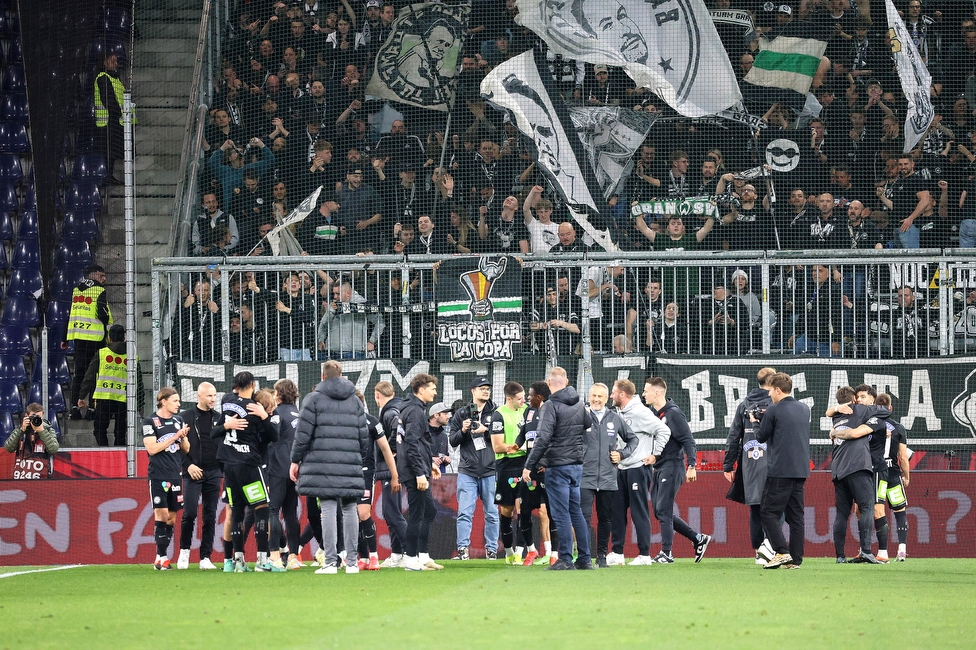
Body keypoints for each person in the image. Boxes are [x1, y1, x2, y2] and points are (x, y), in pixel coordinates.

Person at [290, 360, 369, 575]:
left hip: (321, 464)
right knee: (350, 508)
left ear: (322, 376)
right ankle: (352, 563)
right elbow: (364, 436)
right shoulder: (355, 401)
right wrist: (358, 458)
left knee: (328, 509)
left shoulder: (313, 399)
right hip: (350, 463)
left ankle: (331, 563)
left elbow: (302, 435)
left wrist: (295, 460)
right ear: (342, 375)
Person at [521, 366, 592, 570]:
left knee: (561, 514)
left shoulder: (550, 405)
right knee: (575, 512)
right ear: (567, 382)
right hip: (576, 466)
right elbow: (588, 424)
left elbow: (542, 438)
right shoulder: (579, 403)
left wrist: (529, 466)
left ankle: (565, 559)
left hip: (558, 466)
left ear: (549, 383)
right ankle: (585, 559)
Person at [212, 371, 279, 572]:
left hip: (229, 467)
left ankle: (238, 562)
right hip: (249, 465)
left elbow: (214, 432)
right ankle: (262, 561)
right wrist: (264, 415)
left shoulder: (226, 401)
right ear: (252, 384)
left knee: (236, 512)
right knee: (261, 509)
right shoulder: (253, 409)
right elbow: (273, 436)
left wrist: (226, 424)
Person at [643, 377, 711, 563]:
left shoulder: (673, 414)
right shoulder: (651, 413)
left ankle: (667, 553)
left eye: (646, 390)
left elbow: (688, 440)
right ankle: (698, 538)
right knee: (659, 511)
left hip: (673, 466)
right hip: (659, 466)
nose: (643, 394)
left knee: (663, 510)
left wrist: (692, 465)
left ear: (657, 393)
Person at [825, 386, 889, 564]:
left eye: (863, 397)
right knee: (868, 508)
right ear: (853, 399)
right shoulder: (860, 410)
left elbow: (829, 412)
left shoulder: (837, 417)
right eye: (857, 397)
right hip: (858, 467)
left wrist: (835, 412)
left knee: (843, 514)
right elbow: (883, 411)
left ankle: (840, 556)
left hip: (839, 470)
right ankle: (867, 551)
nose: (860, 400)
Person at [753, 372, 811, 570]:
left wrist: (754, 421)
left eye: (771, 391)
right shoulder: (804, 409)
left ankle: (781, 552)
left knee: (768, 512)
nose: (769, 395)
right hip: (801, 470)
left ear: (777, 390)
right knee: (796, 517)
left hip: (780, 470)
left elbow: (761, 437)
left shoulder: (773, 410)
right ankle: (795, 560)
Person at [723, 367, 776, 564]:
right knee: (775, 509)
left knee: (755, 508)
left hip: (750, 463)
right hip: (773, 462)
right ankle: (771, 548)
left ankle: (758, 551)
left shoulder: (743, 405)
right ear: (772, 383)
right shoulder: (776, 403)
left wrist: (728, 465)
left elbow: (734, 437)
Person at [583, 383, 637, 568]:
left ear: (607, 399)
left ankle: (600, 556)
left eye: (600, 396)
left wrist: (622, 454)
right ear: (588, 396)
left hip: (607, 477)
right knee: (583, 517)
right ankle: (583, 556)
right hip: (585, 476)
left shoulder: (615, 418)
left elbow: (633, 439)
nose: (596, 399)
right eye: (593, 396)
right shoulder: (581, 416)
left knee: (605, 519)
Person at [447, 376, 499, 560]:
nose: (486, 391)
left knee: (492, 513)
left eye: (488, 388)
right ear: (473, 391)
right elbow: (452, 441)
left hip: (490, 470)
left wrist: (487, 430)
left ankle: (491, 550)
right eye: (482, 388)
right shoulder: (462, 413)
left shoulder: (497, 412)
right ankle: (463, 550)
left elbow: (505, 437)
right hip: (468, 471)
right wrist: (462, 430)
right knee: (464, 513)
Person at [176, 382, 223, 570]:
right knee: (190, 513)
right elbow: (176, 446)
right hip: (192, 472)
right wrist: (188, 466)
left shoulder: (219, 419)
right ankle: (184, 552)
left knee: (210, 515)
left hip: (213, 473)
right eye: (209, 396)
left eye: (214, 395)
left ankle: (205, 557)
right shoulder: (185, 417)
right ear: (199, 396)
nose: (213, 399)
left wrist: (221, 468)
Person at [143, 387, 191, 570]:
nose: (179, 404)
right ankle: (161, 556)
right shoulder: (150, 422)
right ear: (164, 401)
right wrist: (175, 437)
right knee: (161, 513)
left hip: (175, 475)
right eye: (175, 401)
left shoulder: (178, 420)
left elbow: (186, 449)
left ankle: (161, 556)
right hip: (158, 475)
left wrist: (183, 438)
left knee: (171, 518)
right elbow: (152, 449)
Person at [398, 373, 441, 571]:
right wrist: (419, 473)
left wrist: (429, 464)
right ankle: (410, 559)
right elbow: (411, 444)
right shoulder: (414, 411)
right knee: (417, 514)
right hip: (413, 470)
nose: (435, 392)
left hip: (417, 466)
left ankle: (422, 556)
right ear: (421, 389)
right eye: (432, 388)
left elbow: (417, 443)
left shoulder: (411, 408)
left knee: (429, 511)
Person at [78, 324, 144, 447]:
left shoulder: (102, 353)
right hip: (124, 399)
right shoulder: (132, 357)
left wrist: (82, 396)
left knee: (99, 430)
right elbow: (139, 382)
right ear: (124, 338)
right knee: (120, 432)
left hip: (104, 398)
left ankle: (105, 453)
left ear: (109, 337)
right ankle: (120, 457)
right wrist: (140, 403)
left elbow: (89, 376)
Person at [64, 264, 113, 420]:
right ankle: (92, 408)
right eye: (101, 275)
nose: (104, 279)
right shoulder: (99, 291)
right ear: (92, 276)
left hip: (79, 338)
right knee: (94, 374)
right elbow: (103, 314)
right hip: (95, 339)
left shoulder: (76, 290)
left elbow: (70, 314)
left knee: (79, 374)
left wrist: (64, 338)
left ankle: (74, 408)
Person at [489, 382, 527, 564]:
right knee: (507, 510)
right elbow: (497, 446)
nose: (523, 401)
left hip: (525, 464)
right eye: (520, 398)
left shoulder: (528, 411)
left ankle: (520, 552)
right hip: (505, 465)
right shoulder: (499, 415)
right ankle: (509, 550)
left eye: (524, 397)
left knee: (522, 507)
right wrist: (512, 447)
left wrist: (519, 447)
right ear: (509, 398)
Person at [267, 379, 302, 571]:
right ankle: (294, 557)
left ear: (279, 394)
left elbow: (271, 440)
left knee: (272, 510)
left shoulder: (277, 414)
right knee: (290, 513)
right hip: (295, 470)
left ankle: (274, 556)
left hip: (278, 469)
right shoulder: (300, 414)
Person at [517, 382, 553, 566]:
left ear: (539, 397)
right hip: (528, 468)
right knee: (523, 511)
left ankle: (553, 552)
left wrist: (546, 462)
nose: (527, 399)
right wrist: (517, 443)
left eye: (530, 395)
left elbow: (553, 439)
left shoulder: (551, 411)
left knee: (550, 511)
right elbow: (523, 433)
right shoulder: (528, 412)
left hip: (545, 470)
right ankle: (531, 550)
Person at [875, 393, 911, 561]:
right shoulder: (899, 427)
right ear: (890, 408)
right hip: (894, 475)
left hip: (877, 474)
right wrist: (907, 476)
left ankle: (882, 551)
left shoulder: (871, 425)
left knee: (877, 511)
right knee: (899, 511)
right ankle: (902, 550)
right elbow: (903, 456)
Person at [373, 381, 405, 567]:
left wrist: (392, 449)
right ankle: (397, 553)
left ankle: (411, 551)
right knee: (393, 511)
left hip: (391, 467)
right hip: (395, 466)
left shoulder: (390, 411)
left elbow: (398, 430)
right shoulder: (398, 407)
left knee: (391, 512)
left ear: (378, 395)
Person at [94, 52, 133, 181]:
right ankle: (107, 175)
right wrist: (118, 113)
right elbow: (108, 99)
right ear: (105, 63)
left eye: (116, 61)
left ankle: (110, 175)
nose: (116, 64)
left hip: (116, 120)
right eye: (112, 61)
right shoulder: (103, 78)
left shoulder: (115, 78)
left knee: (113, 151)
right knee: (108, 150)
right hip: (108, 121)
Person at [4, 403, 59, 480]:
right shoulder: (20, 430)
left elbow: (53, 449)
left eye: (38, 417)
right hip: (22, 475)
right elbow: (9, 448)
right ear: (26, 415)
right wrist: (21, 430)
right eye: (33, 416)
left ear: (42, 416)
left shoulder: (49, 430)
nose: (35, 419)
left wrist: (42, 431)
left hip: (41, 476)